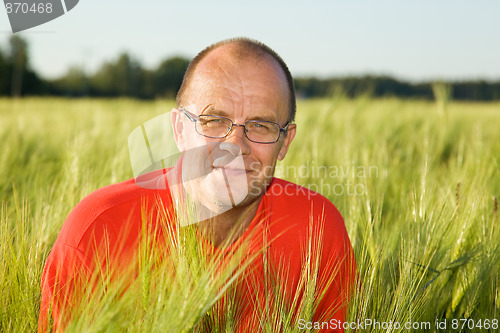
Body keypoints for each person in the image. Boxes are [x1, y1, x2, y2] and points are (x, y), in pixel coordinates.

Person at [39, 37, 356, 332]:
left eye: (261, 125)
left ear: (285, 142)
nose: (235, 145)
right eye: (214, 120)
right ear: (179, 130)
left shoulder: (319, 230)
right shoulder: (98, 231)